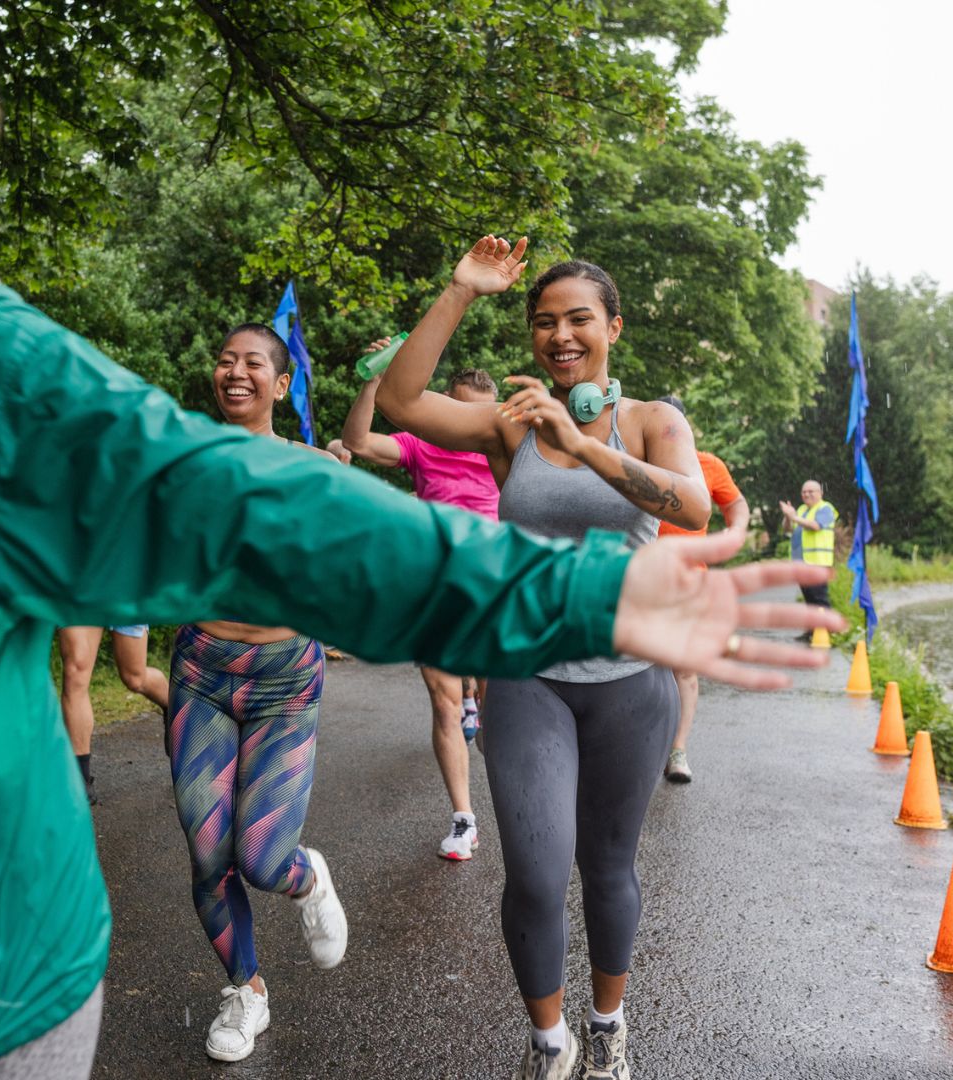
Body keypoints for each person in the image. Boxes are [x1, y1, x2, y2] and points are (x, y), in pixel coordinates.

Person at [0, 3, 841, 1074]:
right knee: (215, 850)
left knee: (310, 846)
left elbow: (270, 506)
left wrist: (587, 595)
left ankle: (526, 1002)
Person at [376, 237, 830, 1080]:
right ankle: (550, 1044)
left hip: (632, 681)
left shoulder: (656, 420)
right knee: (539, 874)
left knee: (610, 867)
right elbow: (402, 402)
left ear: (612, 326)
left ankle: (608, 1027)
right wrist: (461, 290)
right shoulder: (514, 422)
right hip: (528, 678)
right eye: (544, 323)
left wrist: (586, 447)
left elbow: (692, 505)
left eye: (578, 318)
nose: (560, 335)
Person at [166, 322, 352, 1063]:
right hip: (201, 672)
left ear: (282, 386)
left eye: (254, 364)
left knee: (263, 857)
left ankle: (307, 879)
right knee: (208, 853)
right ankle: (246, 991)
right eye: (224, 360)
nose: (234, 372)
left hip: (284, 680)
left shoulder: (313, 470)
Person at [341, 359, 500, 861]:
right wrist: (374, 379)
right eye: (456, 412)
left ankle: (505, 772)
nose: (467, 427)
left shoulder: (505, 448)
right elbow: (359, 441)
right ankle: (464, 819)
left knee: (496, 718)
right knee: (444, 702)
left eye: (478, 418)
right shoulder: (420, 445)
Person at [653, 395, 751, 785]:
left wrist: (737, 530)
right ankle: (638, 748)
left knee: (684, 669)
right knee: (640, 667)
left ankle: (678, 751)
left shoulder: (707, 465)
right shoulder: (635, 462)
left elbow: (736, 503)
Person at [55, 625, 168, 802]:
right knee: (75, 672)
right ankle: (79, 780)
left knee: (134, 678)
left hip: (123, 596)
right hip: (80, 596)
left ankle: (172, 705)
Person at [780, 479, 838, 635]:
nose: (806, 494)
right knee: (809, 600)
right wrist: (787, 516)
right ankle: (812, 631)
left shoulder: (826, 508)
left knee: (819, 599)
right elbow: (788, 530)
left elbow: (815, 526)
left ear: (820, 493)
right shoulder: (801, 510)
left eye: (810, 491)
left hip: (818, 563)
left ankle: (828, 632)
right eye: (804, 492)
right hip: (802, 563)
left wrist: (794, 517)